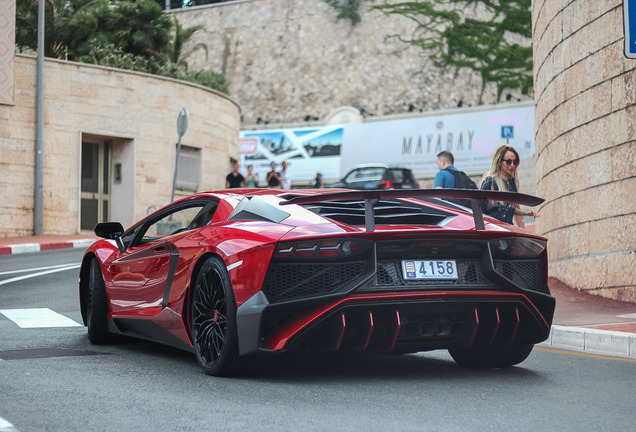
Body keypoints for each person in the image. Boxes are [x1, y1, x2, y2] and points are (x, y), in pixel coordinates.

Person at [480, 145, 537, 225]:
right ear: (499, 161)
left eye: (515, 162)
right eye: (508, 161)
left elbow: (508, 208)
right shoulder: (490, 181)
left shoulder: (512, 181)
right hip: (493, 230)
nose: (512, 165)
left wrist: (526, 213)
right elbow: (480, 211)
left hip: (508, 229)